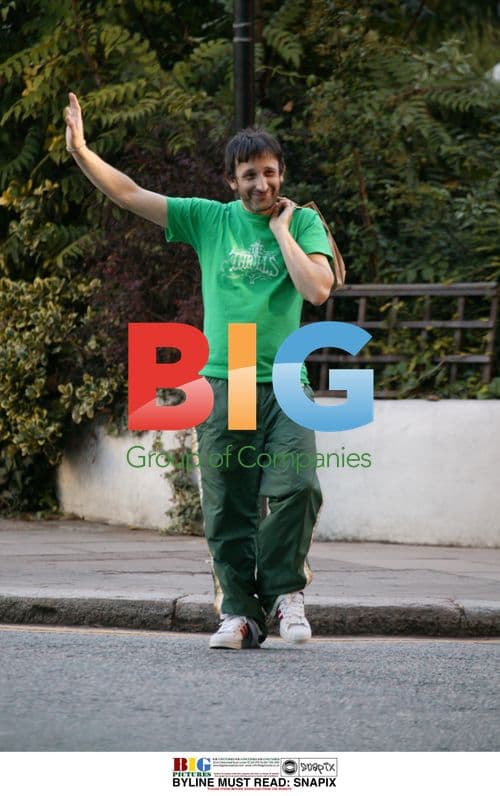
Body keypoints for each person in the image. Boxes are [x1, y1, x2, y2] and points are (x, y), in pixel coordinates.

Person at [64, 91, 333, 650]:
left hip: (285, 379)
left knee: (298, 487)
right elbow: (132, 194)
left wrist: (282, 231)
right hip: (225, 375)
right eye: (249, 176)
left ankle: (284, 593)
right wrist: (83, 152)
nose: (262, 185)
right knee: (228, 502)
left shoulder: (304, 223)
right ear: (231, 181)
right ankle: (239, 613)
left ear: (280, 174)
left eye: (270, 173)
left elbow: (318, 289)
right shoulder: (209, 220)